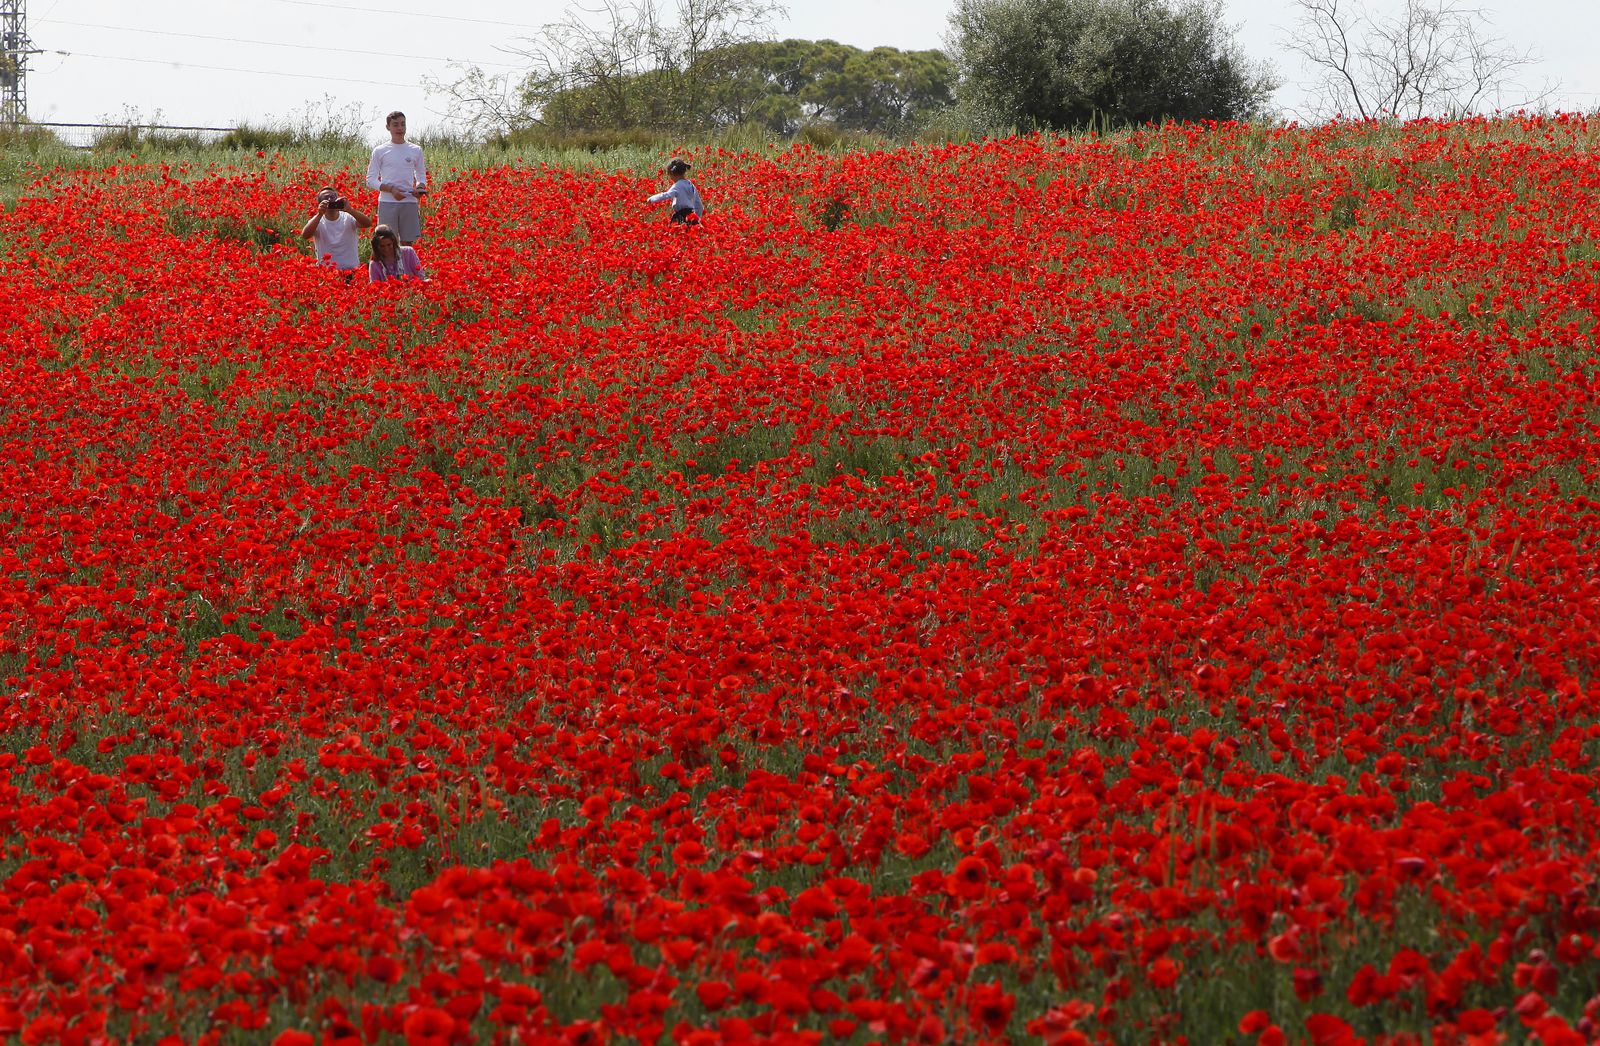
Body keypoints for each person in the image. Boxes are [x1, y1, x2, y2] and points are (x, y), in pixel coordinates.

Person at [366, 111, 427, 246]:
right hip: (387, 202)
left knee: (407, 244)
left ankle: (405, 267)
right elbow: (371, 180)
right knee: (386, 243)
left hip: (409, 201)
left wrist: (420, 188)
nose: (400, 128)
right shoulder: (380, 150)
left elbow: (421, 174)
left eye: (403, 124)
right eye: (395, 125)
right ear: (388, 127)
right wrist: (391, 190)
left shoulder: (416, 150)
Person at [299, 186, 373, 273]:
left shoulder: (348, 217)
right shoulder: (317, 220)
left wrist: (350, 210)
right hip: (328, 272)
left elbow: (368, 223)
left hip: (351, 270)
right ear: (319, 203)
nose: (330, 199)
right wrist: (319, 214)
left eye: (332, 196)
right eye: (325, 198)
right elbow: (305, 235)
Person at [646, 158, 704, 225]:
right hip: (691, 216)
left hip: (681, 216)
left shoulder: (677, 186)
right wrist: (697, 218)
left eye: (669, 174)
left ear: (673, 174)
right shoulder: (690, 185)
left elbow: (667, 195)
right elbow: (699, 204)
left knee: (679, 232)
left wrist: (652, 199)